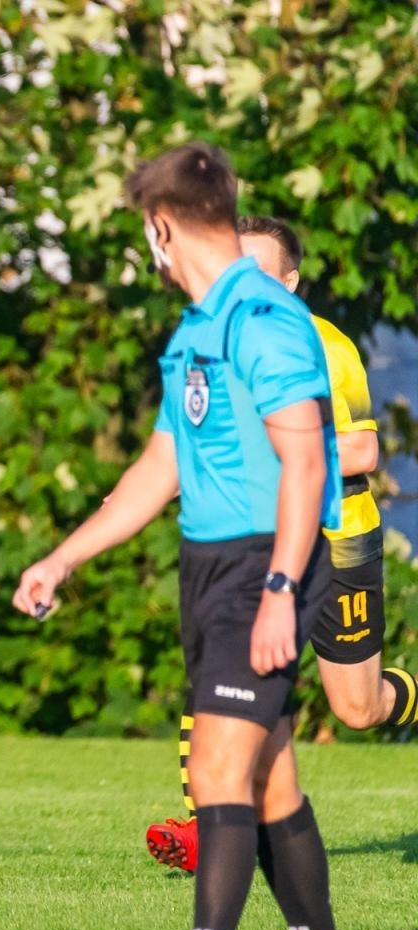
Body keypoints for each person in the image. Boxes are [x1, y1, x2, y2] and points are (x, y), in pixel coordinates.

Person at [14, 143, 357, 930]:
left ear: (162, 228)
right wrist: (63, 557)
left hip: (261, 566)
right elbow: (158, 465)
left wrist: (282, 586)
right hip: (209, 568)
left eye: (146, 233)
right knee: (271, 782)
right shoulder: (196, 330)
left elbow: (304, 465)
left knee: (216, 770)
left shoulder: (265, 319)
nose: (150, 250)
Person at [145, 216, 415, 873]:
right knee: (217, 672)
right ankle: (207, 826)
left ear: (290, 282)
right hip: (255, 546)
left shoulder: (326, 348)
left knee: (358, 707)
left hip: (336, 540)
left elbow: (361, 449)